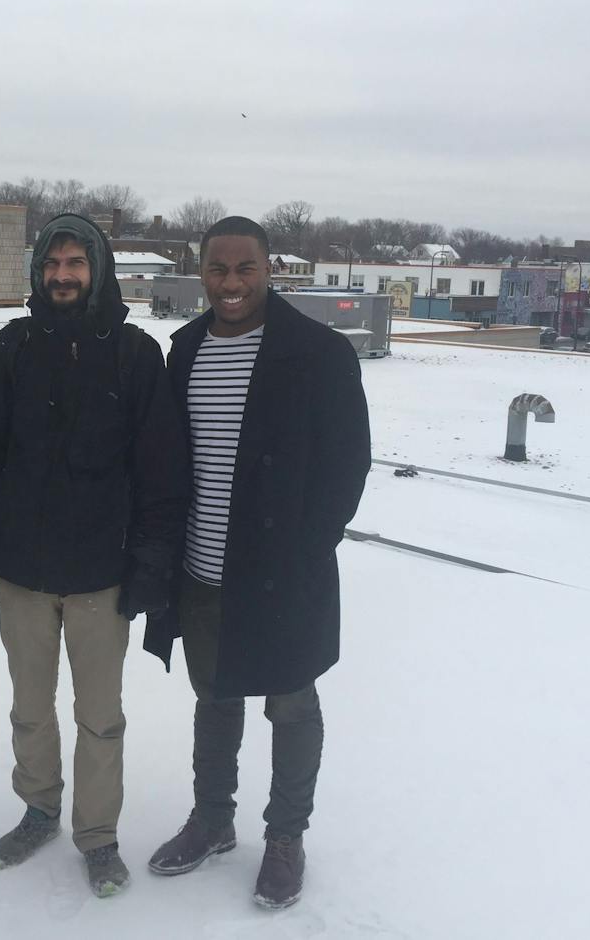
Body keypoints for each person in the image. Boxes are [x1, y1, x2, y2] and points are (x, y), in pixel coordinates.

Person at [144, 216, 370, 910]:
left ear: (271, 269)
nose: (232, 283)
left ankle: (284, 837)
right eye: (219, 269)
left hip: (282, 571)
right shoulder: (183, 350)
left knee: (291, 705)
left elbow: (346, 464)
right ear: (201, 272)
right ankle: (213, 819)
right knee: (213, 697)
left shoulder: (318, 352)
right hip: (202, 568)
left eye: (246, 269)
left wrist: (306, 547)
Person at [0, 213, 189, 897]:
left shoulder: (134, 354)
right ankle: (38, 808)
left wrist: (149, 561)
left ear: (98, 270)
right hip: (24, 574)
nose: (63, 276)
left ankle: (97, 835)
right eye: (53, 265)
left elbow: (161, 473)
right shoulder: (10, 347)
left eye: (76, 264)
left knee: (101, 717)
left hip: (102, 576)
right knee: (29, 708)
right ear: (39, 272)